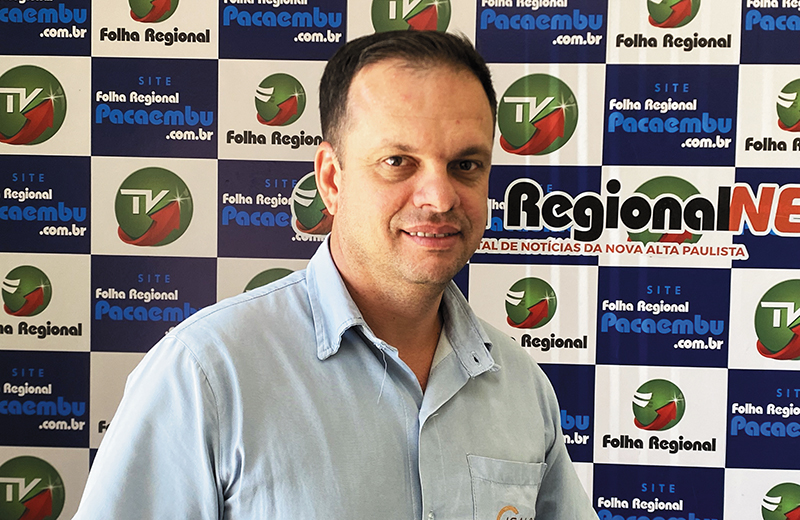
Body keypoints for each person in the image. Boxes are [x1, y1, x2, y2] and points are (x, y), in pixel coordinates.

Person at [74, 31, 596, 519]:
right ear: (331, 179)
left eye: (466, 165)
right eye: (398, 161)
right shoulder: (205, 375)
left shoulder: (521, 386)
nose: (439, 198)